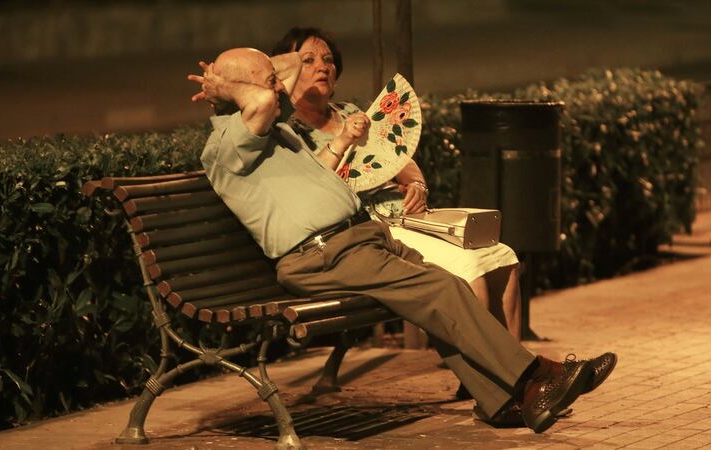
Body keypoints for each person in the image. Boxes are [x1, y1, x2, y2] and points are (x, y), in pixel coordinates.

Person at [188, 47, 615, 434]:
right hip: (322, 255)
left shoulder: (273, 132)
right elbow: (261, 97)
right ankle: (538, 378)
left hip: (358, 240)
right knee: (440, 290)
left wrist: (252, 73)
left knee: (447, 288)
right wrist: (224, 83)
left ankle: (501, 400)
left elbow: (288, 66)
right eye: (267, 82)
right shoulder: (227, 142)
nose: (279, 87)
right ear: (239, 94)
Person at [271, 27, 523, 342]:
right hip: (366, 231)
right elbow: (313, 191)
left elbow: (397, 158)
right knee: (468, 269)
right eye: (308, 60)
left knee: (501, 256)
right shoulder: (287, 132)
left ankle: (520, 370)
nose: (322, 66)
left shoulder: (349, 112)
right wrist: (344, 138)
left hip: (406, 215)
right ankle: (495, 377)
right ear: (286, 74)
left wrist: (417, 185)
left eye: (328, 60)